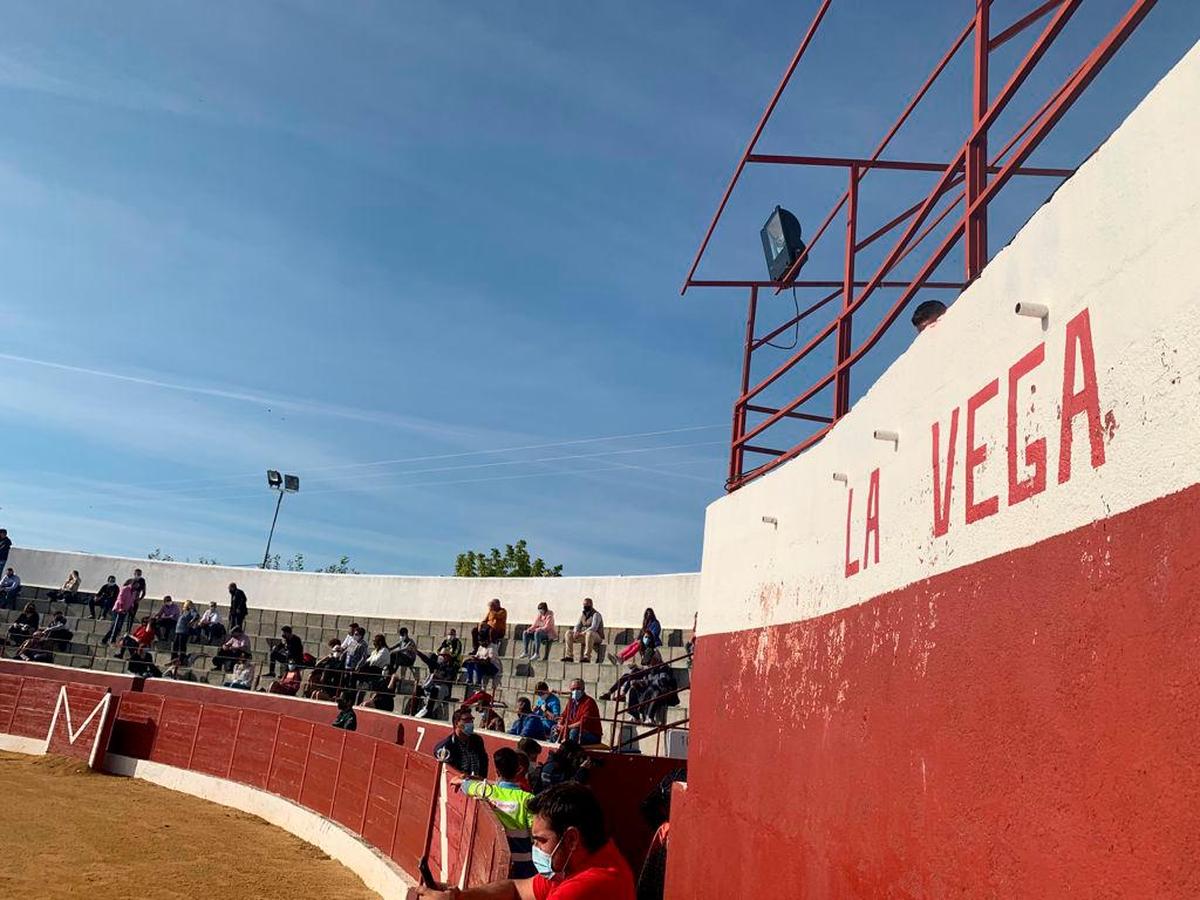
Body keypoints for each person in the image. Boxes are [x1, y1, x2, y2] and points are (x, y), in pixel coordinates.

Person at [412, 783, 634, 900]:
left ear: (571, 839)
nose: (535, 848)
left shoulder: (587, 885)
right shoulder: (579, 863)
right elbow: (517, 888)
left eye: (541, 840)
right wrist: (458, 897)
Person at [453, 747, 536, 879]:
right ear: (518, 770)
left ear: (497, 771)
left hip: (495, 861)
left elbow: (467, 786)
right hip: (524, 864)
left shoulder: (486, 791)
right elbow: (536, 832)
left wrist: (461, 781)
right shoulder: (527, 799)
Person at [433, 708, 489, 778]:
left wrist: (482, 779)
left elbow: (484, 761)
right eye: (466, 720)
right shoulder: (446, 746)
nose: (470, 723)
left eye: (471, 720)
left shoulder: (477, 740)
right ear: (457, 723)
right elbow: (446, 772)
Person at [558, 679, 602, 746]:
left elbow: (584, 722)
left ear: (583, 689)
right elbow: (563, 715)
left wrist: (567, 727)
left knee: (574, 732)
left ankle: (570, 754)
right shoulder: (571, 701)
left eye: (578, 688)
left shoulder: (589, 702)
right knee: (554, 729)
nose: (575, 691)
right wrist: (559, 724)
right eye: (573, 689)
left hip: (591, 734)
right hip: (573, 729)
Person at [562, 598, 604, 663]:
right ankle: (569, 656)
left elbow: (594, 627)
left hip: (596, 636)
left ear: (591, 604)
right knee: (569, 633)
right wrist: (576, 632)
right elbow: (578, 625)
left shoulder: (596, 614)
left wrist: (582, 633)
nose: (585, 606)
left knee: (590, 633)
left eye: (587, 604)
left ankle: (587, 657)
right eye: (584, 604)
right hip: (585, 636)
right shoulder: (583, 615)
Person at [100, 580, 136, 645]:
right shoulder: (125, 589)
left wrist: (131, 608)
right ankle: (110, 640)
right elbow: (120, 599)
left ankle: (107, 640)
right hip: (118, 610)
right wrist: (121, 608)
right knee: (115, 626)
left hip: (125, 611)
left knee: (119, 627)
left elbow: (132, 601)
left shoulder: (134, 592)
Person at [171, 600, 199, 666]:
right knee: (175, 645)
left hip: (184, 631)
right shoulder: (183, 612)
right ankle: (173, 659)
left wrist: (191, 621)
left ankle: (181, 660)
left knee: (182, 646)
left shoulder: (191, 611)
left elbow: (196, 616)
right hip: (178, 630)